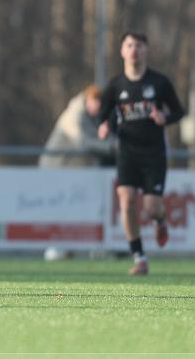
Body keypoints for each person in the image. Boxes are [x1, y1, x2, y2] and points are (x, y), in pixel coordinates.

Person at [97, 32, 185, 276]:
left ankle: (160, 220)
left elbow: (179, 111)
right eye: (129, 45)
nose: (134, 49)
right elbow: (103, 116)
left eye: (139, 45)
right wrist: (104, 127)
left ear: (146, 51)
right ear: (122, 51)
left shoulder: (159, 83)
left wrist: (165, 117)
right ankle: (140, 257)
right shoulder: (115, 86)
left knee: (151, 208)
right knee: (126, 202)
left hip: (154, 154)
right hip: (127, 152)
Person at [39, 84, 115, 168]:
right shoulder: (73, 116)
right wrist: (111, 147)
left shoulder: (91, 117)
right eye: (98, 103)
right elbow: (83, 142)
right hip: (54, 168)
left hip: (69, 169)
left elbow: (99, 136)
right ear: (90, 99)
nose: (100, 108)